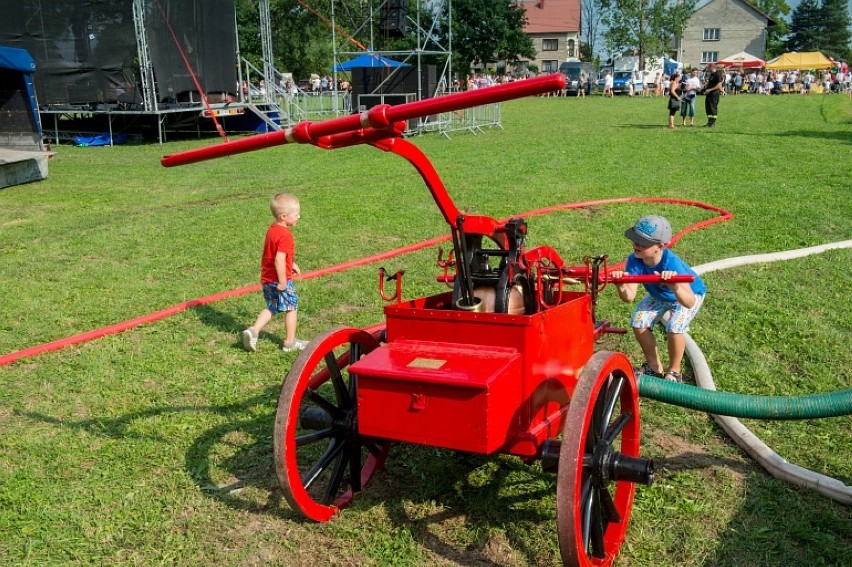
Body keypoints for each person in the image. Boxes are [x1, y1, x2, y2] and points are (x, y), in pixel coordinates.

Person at [610, 216, 706, 383]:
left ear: (660, 246)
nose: (636, 245)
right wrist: (620, 285)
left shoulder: (671, 263)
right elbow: (629, 297)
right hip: (658, 295)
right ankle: (654, 366)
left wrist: (674, 285)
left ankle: (674, 371)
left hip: (685, 295)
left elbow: (689, 302)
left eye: (643, 243)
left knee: (674, 326)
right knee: (638, 321)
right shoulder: (634, 260)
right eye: (635, 240)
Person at [242, 194, 308, 353]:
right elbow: (279, 259)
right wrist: (283, 281)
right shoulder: (286, 235)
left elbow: (274, 253)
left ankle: (253, 331)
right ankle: (290, 342)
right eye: (296, 213)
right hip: (279, 280)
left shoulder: (273, 230)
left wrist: (291, 263)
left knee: (272, 306)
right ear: (283, 216)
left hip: (267, 278)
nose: (299, 216)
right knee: (292, 307)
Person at [703, 62, 725, 128]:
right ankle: (709, 122)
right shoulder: (711, 74)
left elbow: (718, 85)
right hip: (709, 94)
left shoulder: (717, 74)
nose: (707, 69)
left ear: (711, 67)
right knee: (708, 108)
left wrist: (709, 90)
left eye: (708, 68)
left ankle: (713, 123)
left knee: (713, 108)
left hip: (714, 94)